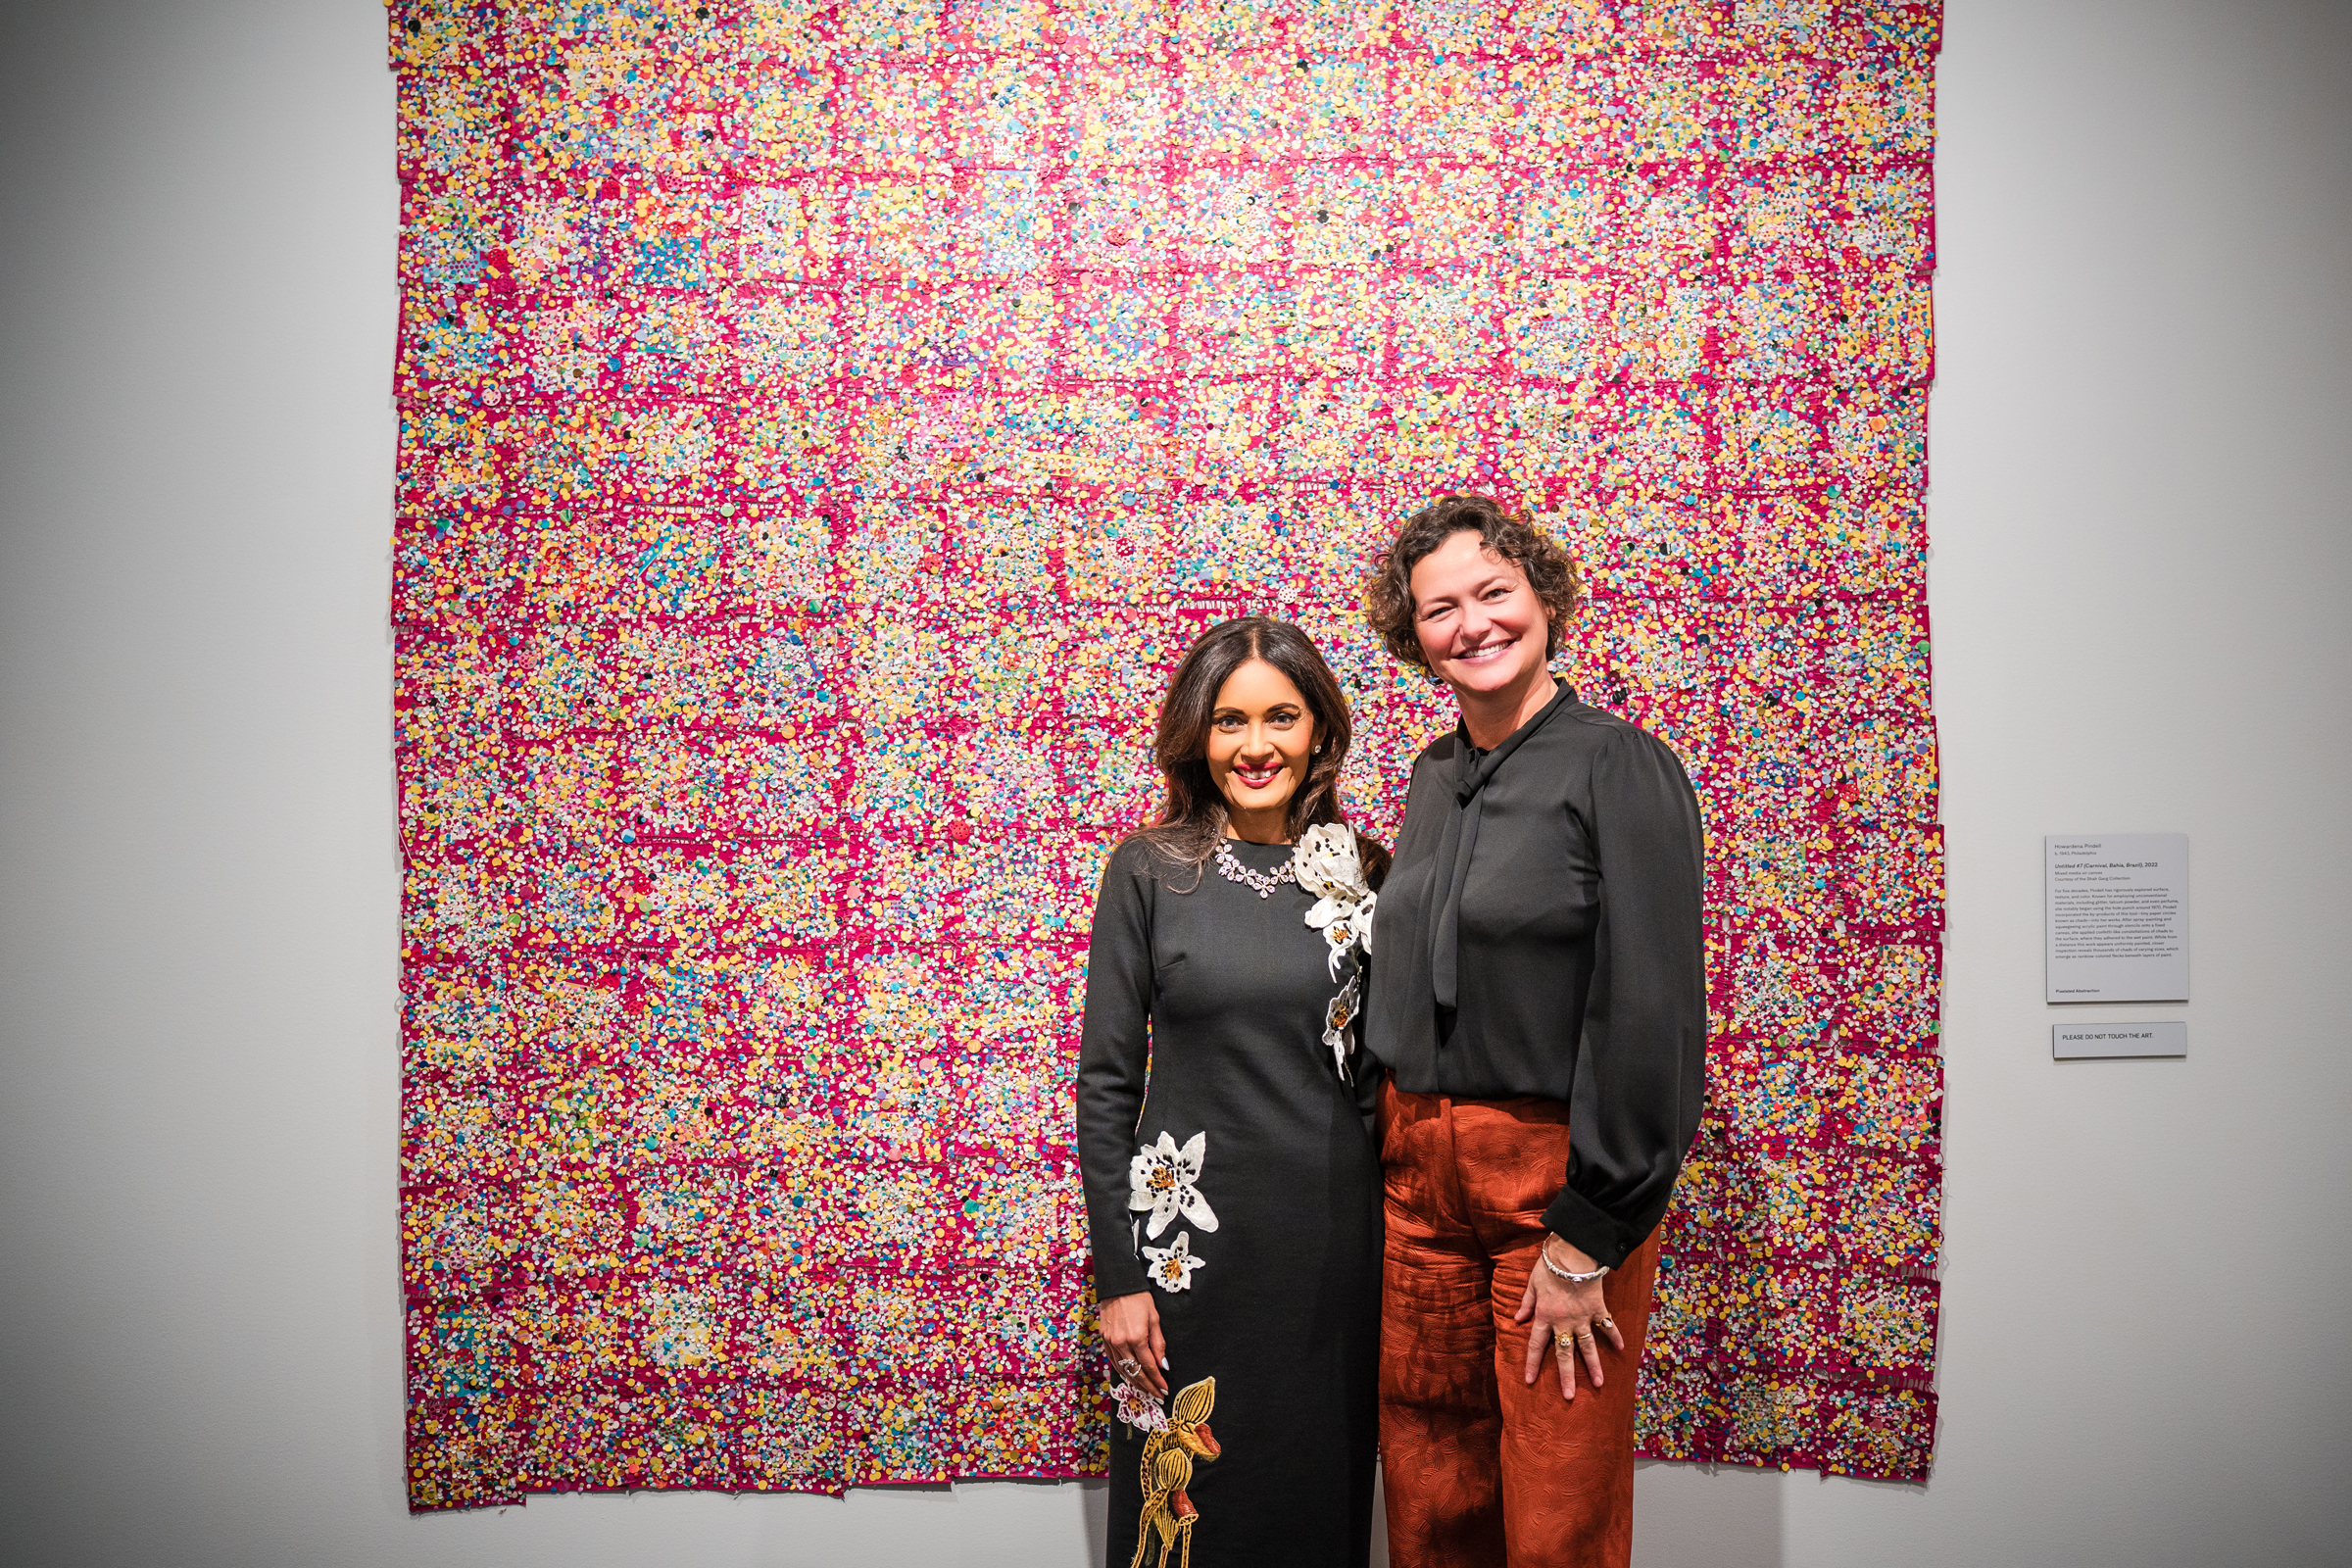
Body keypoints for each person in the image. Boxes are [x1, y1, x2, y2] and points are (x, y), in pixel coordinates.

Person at [1358, 495, 1707, 1568]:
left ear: (1545, 598)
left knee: (1557, 1503)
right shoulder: (1428, 777)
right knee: (1430, 1494)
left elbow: (1650, 1007)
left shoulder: (1620, 764)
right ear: (1411, 637)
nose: (1472, 624)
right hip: (1417, 1186)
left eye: (1494, 593)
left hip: (1550, 1185)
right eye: (1439, 608)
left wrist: (1589, 1226)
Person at [1077, 615, 1389, 1568]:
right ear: (1197, 736)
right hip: (1185, 1259)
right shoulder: (1148, 868)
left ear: (1320, 732)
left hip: (1333, 1257)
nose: (1256, 745)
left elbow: (1388, 1078)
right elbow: (1105, 1086)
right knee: (1186, 1508)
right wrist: (1119, 1280)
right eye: (1229, 721)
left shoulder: (1370, 872)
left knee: (1313, 1504)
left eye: (1281, 716)